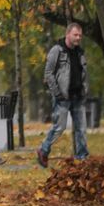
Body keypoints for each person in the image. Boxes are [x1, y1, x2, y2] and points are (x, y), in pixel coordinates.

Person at [37, 22, 89, 168]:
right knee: (59, 128)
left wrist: (85, 90)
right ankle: (43, 149)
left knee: (81, 129)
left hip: (78, 97)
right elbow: (48, 73)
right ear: (68, 34)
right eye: (75, 35)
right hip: (63, 98)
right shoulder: (57, 50)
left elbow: (84, 73)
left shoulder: (80, 52)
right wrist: (57, 93)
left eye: (80, 35)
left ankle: (82, 158)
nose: (78, 38)